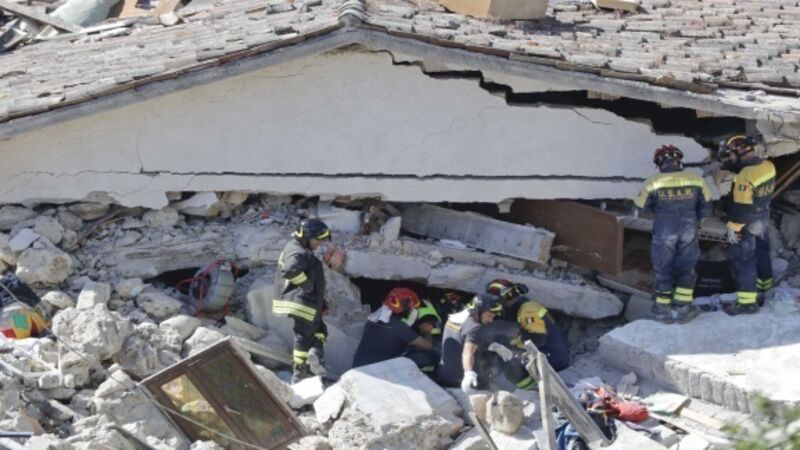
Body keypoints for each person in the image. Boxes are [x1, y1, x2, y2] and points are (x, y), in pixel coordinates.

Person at [633, 145, 712, 323]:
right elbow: (707, 209)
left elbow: (641, 207)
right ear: (679, 161)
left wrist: (659, 211)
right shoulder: (696, 179)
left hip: (664, 229)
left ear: (659, 163)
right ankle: (684, 308)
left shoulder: (652, 182)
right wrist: (697, 221)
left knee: (663, 267)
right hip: (689, 229)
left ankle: (662, 310)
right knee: (686, 266)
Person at [718, 134, 776, 315]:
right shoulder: (768, 166)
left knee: (744, 259)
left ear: (739, 152)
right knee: (761, 251)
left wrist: (733, 227)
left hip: (747, 221)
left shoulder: (745, 177)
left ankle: (747, 302)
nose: (729, 158)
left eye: (730, 155)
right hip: (763, 216)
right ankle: (765, 286)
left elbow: (742, 207)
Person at [272, 218, 332, 383]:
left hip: (306, 302)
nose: (319, 243)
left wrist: (321, 302)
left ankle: (313, 357)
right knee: (304, 336)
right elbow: (290, 270)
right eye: (317, 239)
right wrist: (308, 286)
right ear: (306, 237)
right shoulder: (298, 251)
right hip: (302, 302)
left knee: (318, 330)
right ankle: (301, 372)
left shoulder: (297, 248)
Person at [437, 293, 506, 393]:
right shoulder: (474, 327)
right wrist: (469, 373)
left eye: (493, 316)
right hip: (462, 381)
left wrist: (492, 346)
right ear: (478, 311)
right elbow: (467, 353)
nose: (491, 320)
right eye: (489, 315)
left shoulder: (456, 317)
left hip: (444, 374)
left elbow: (464, 340)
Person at [352, 288, 434, 368]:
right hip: (378, 371)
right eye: (411, 308)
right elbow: (428, 346)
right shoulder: (398, 327)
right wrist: (426, 331)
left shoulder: (373, 321)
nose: (411, 310)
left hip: (359, 367)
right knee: (424, 357)